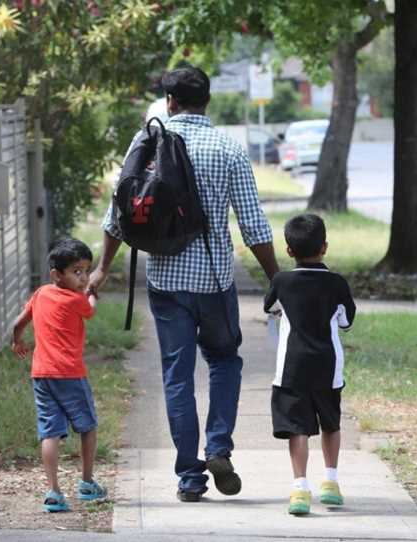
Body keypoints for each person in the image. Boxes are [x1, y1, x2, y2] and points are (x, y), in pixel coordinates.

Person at [89, 66, 279, 502]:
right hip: (214, 283)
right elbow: (252, 223)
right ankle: (218, 447)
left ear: (169, 102)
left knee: (177, 376)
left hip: (166, 282)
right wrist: (276, 279)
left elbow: (117, 215)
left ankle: (190, 477)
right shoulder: (228, 148)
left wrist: (101, 269)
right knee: (225, 361)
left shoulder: (147, 144)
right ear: (206, 101)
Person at [263, 214, 356, 516]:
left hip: (292, 368)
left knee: (296, 428)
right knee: (331, 423)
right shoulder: (337, 284)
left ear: (289, 251)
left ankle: (300, 488)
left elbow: (272, 309)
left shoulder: (282, 282)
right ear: (325, 247)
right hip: (328, 367)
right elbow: (345, 322)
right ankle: (331, 482)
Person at [11, 237, 108, 513]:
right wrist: (90, 292)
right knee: (87, 426)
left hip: (41, 374)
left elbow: (19, 323)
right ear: (57, 274)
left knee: (50, 432)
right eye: (77, 271)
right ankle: (87, 483)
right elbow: (90, 311)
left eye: (86, 271)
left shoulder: (41, 293)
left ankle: (53, 491)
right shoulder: (76, 299)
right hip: (69, 374)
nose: (84, 277)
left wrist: (17, 341)